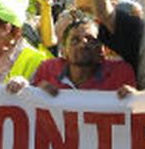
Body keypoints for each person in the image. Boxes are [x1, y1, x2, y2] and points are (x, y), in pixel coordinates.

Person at [8, 16, 137, 95]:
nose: (83, 45)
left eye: (91, 39)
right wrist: (25, 89)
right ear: (63, 51)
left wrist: (134, 99)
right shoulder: (47, 70)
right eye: (75, 40)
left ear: (102, 49)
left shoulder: (121, 73)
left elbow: (135, 116)